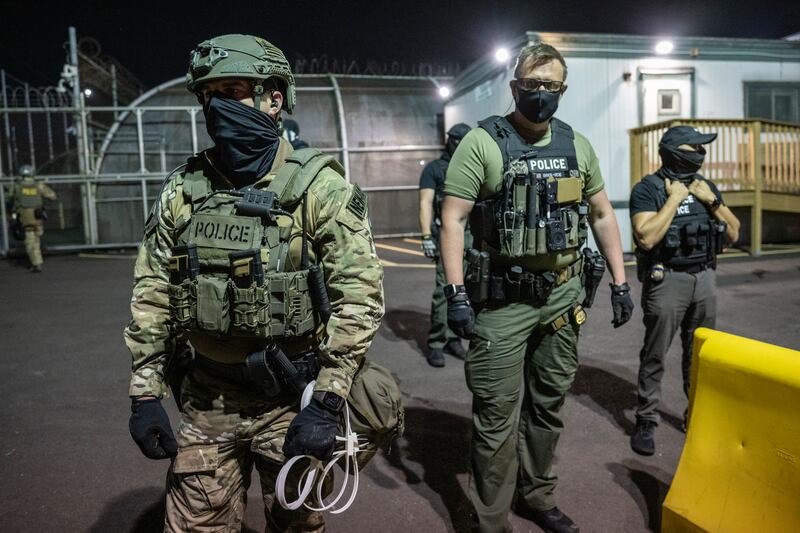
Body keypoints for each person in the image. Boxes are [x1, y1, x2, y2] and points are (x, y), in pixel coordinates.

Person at [123, 34, 384, 532]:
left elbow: (360, 296)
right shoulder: (185, 188)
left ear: (274, 98)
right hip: (208, 398)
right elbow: (153, 288)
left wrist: (328, 400)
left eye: (235, 90)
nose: (220, 106)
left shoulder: (320, 188)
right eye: (209, 94)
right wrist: (145, 393)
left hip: (292, 397)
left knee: (297, 525)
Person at [439, 42, 634, 533]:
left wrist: (620, 281)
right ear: (515, 87)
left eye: (551, 86)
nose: (541, 94)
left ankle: (537, 495)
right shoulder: (484, 143)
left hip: (564, 296)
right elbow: (453, 219)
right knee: (497, 415)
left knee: (548, 403)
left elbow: (602, 213)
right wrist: (457, 294)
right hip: (503, 302)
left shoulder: (576, 144)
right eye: (532, 85)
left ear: (562, 90)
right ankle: (490, 519)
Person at [629, 125, 740, 456]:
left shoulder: (706, 187)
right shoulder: (649, 189)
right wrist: (675, 199)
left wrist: (714, 201)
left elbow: (734, 233)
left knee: (700, 357)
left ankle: (697, 417)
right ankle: (646, 420)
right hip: (668, 280)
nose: (701, 154)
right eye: (695, 148)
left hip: (704, 279)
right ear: (676, 151)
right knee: (655, 354)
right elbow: (646, 237)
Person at [418, 123, 471, 367]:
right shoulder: (434, 169)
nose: (460, 145)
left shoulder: (472, 166)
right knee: (445, 290)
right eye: (456, 140)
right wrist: (426, 236)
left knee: (469, 290)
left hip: (472, 236)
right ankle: (436, 342)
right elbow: (426, 203)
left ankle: (454, 338)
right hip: (447, 236)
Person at [7, 164, 56, 272]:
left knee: (29, 240)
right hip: (37, 215)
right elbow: (52, 196)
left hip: (25, 216)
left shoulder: (17, 186)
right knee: (36, 238)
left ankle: (36, 263)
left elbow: (8, 197)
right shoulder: (39, 185)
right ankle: (37, 260)